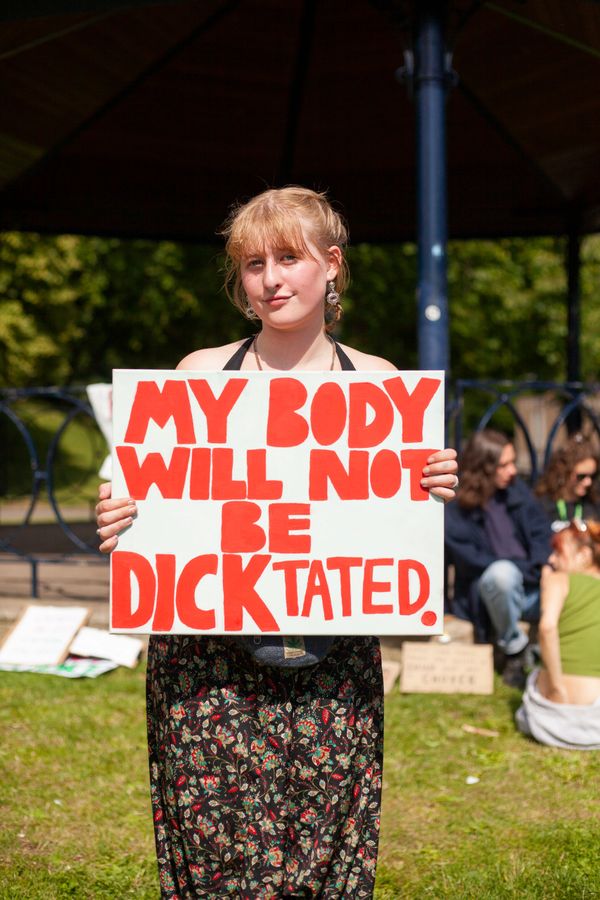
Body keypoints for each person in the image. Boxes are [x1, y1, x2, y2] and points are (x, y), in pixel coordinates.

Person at [95, 186, 458, 899]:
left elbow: (392, 525)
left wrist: (429, 483)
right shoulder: (198, 376)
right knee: (218, 853)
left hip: (334, 662)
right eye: (254, 263)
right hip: (207, 669)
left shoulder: (380, 386)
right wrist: (119, 514)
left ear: (332, 266)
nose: (271, 279)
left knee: (323, 847)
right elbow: (146, 496)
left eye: (288, 258)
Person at [445, 429, 552, 687]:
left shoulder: (518, 493)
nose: (513, 470)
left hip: (533, 589)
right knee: (502, 574)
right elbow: (475, 562)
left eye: (513, 462)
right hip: (492, 596)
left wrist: (544, 568)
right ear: (483, 468)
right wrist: (527, 569)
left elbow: (542, 535)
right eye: (504, 465)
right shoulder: (458, 511)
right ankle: (514, 651)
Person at [516, 518, 600, 749]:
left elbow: (547, 627)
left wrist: (556, 688)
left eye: (558, 552)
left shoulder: (558, 580)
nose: (551, 560)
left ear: (583, 555)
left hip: (553, 714)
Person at [534, 434, 600, 532]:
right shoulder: (543, 505)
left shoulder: (594, 505)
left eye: (592, 476)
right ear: (564, 471)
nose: (588, 482)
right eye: (581, 476)